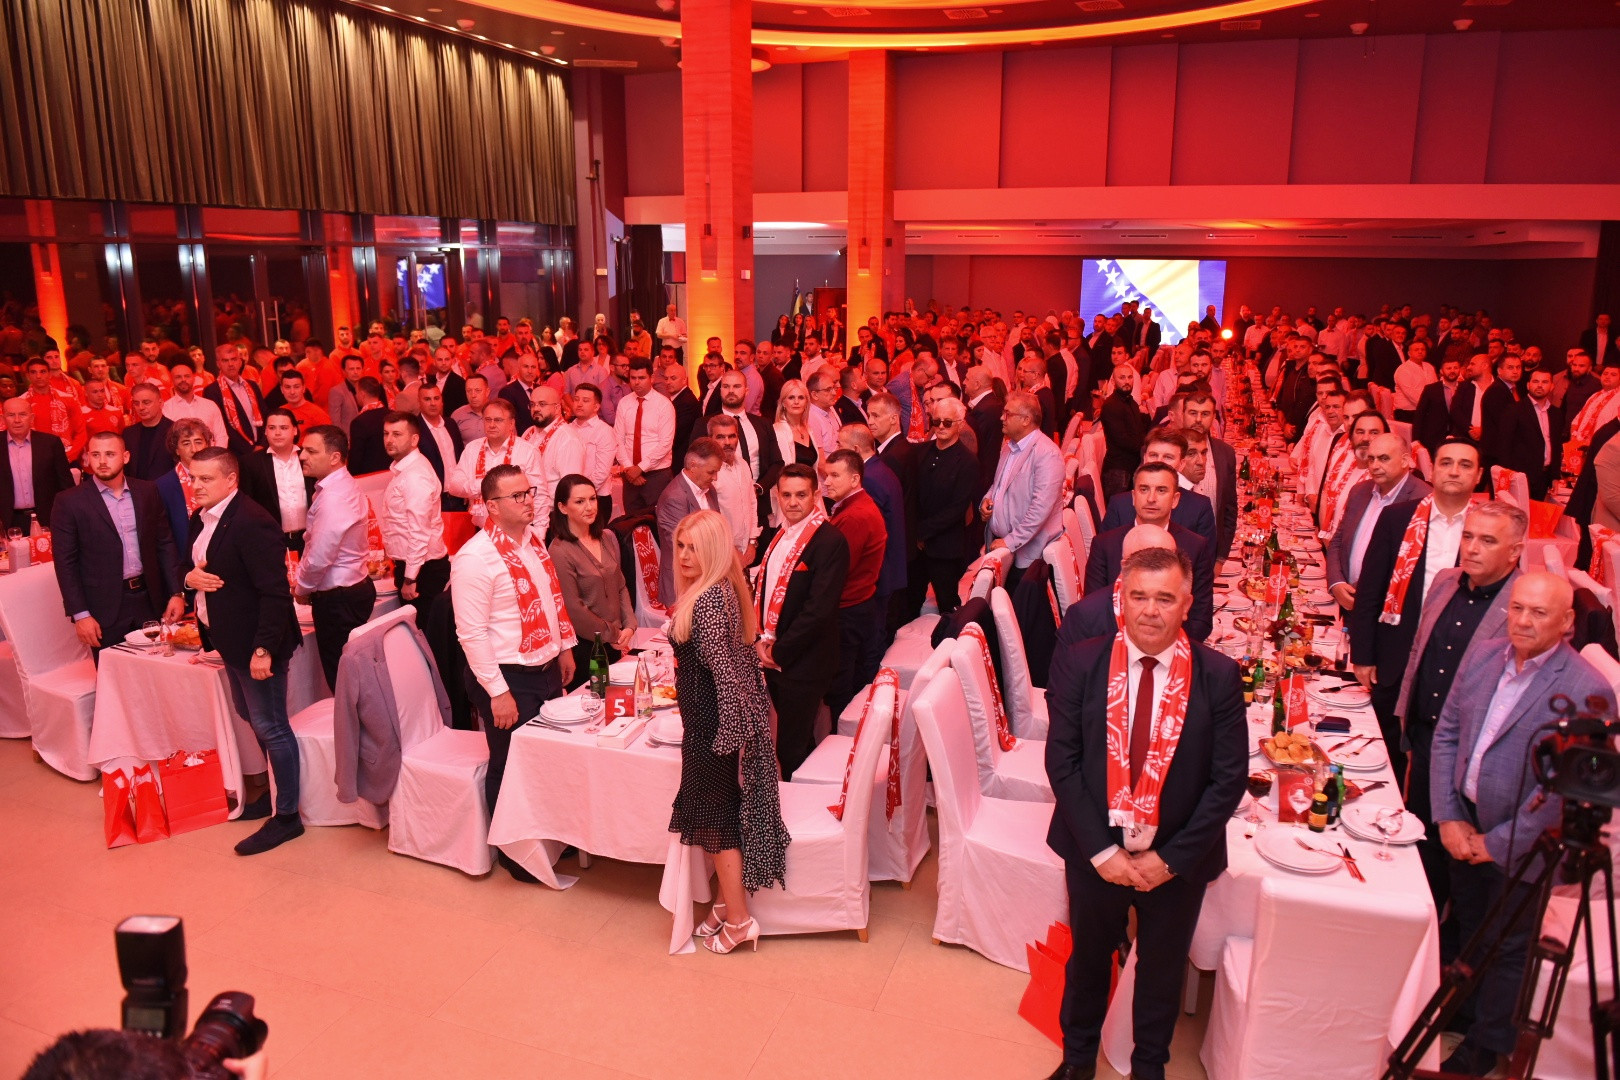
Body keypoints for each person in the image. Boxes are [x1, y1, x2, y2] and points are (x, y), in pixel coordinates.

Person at [1044, 546, 1246, 1080]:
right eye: (1138, 597)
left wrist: (1171, 860)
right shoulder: (1082, 663)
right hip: (1096, 850)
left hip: (1176, 858)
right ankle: (1077, 1060)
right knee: (1088, 960)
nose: (1150, 611)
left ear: (1187, 604)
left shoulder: (1219, 675)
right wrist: (1101, 851)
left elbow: (1227, 780)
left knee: (1161, 970)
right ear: (1121, 600)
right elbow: (1061, 762)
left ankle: (1149, 1066)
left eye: (1164, 598)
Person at [1429, 571, 1614, 1076]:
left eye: (1539, 613)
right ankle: (1465, 1011)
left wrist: (1497, 843)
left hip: (1525, 844)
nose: (1523, 621)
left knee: (1509, 947)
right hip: (1465, 824)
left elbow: (1560, 791)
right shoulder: (1485, 655)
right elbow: (1448, 732)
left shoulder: (1588, 689)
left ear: (1567, 621)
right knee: (1471, 926)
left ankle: (1485, 1048)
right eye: (1517, 608)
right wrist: (1448, 815)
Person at [667, 509, 789, 953]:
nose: (684, 555)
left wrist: (727, 736)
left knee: (716, 821)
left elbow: (724, 671)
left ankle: (739, 922)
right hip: (708, 722)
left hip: (711, 727)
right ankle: (723, 904)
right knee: (717, 817)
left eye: (694, 548)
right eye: (681, 546)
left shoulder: (709, 600)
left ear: (715, 551)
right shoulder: (717, 590)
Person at [1394, 501, 1524, 914]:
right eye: (1468, 536)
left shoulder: (1523, 606)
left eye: (1487, 540)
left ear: (1515, 552)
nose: (1472, 548)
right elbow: (1419, 651)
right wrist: (1405, 723)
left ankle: (1451, 939)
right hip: (1426, 738)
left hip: (1474, 755)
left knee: (1465, 871)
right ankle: (1420, 923)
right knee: (1422, 845)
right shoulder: (1445, 581)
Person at [452, 463, 577, 883]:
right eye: (517, 496)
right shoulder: (475, 558)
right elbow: (471, 634)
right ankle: (514, 855)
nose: (529, 501)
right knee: (508, 765)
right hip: (506, 676)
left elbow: (549, 598)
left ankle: (548, 837)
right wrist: (497, 692)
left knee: (543, 758)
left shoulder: (533, 541)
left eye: (530, 492)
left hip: (543, 666)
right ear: (492, 506)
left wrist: (563, 647)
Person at [182, 447, 304, 855]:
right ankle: (276, 795)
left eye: (206, 479)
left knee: (272, 725)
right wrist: (189, 579)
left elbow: (275, 593)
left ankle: (287, 816)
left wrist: (264, 649)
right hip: (230, 641)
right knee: (251, 716)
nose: (196, 486)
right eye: (193, 478)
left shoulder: (253, 521)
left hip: (257, 644)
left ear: (231, 480)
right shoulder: (202, 518)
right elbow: (193, 567)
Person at [1350, 436, 1481, 784]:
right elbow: (1370, 591)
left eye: (1465, 465)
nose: (1454, 471)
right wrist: (1362, 655)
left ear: (1478, 475)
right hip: (1395, 652)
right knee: (1382, 753)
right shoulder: (1397, 518)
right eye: (1446, 463)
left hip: (1455, 661)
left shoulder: (1486, 529)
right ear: (1432, 470)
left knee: (1435, 761)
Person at [752, 464, 849, 777]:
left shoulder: (830, 541)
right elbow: (765, 588)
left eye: (801, 495)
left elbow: (818, 610)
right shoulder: (779, 534)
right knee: (799, 741)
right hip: (774, 653)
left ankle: (797, 804)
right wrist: (760, 640)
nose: (793, 502)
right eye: (787, 495)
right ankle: (812, 794)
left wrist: (778, 651)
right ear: (778, 496)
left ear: (815, 496)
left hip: (804, 661)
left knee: (789, 748)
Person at [51, 432, 185, 654]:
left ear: (126, 457)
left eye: (110, 454)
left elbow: (164, 544)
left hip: (150, 600)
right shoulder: (69, 501)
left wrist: (176, 593)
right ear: (87, 458)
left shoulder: (147, 491)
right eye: (96, 454)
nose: (102, 461)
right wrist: (80, 614)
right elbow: (65, 563)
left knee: (158, 670)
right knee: (113, 674)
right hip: (103, 609)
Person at [1084, 462, 1214, 641]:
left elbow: (1201, 620)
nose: (1151, 498)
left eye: (1161, 490)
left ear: (1175, 499)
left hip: (1175, 647)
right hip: (1114, 646)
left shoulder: (1195, 546)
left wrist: (1161, 647)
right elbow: (1093, 611)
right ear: (1133, 496)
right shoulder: (1105, 544)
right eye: (1144, 489)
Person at [293, 425, 377, 692]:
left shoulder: (334, 496)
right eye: (303, 450)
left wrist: (302, 588)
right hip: (352, 589)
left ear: (334, 457)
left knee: (345, 682)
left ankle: (352, 721)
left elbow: (319, 556)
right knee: (354, 676)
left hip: (338, 598)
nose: (302, 456)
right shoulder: (340, 485)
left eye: (311, 451)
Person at [1324, 431, 1431, 611]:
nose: (1375, 465)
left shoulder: (1423, 499)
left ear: (1405, 460)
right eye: (1371, 459)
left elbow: (1406, 564)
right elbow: (1338, 541)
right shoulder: (1359, 491)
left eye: (1383, 458)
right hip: (1345, 598)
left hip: (1384, 608)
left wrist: (1360, 592)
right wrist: (1336, 582)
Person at [548, 473, 636, 686]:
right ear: (562, 507)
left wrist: (630, 625)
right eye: (580, 501)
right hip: (587, 648)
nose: (589, 507)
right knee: (595, 699)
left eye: (592, 499)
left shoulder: (604, 537)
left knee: (619, 698)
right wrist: (613, 634)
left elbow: (620, 584)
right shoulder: (559, 550)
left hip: (615, 640)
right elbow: (573, 609)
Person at [823, 448, 888, 718]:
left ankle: (843, 734)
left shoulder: (855, 516)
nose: (827, 482)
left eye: (834, 476)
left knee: (842, 684)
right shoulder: (855, 507)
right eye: (827, 475)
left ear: (854, 479)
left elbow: (836, 570)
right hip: (858, 604)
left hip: (849, 610)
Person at [982, 390, 1066, 589]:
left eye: (1008, 414)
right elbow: (999, 484)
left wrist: (1010, 541)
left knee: (1016, 605)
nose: (1001, 418)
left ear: (1026, 420)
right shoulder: (1009, 446)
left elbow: (1040, 509)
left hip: (1027, 556)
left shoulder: (1047, 453)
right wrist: (987, 499)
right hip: (1005, 547)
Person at [1098, 428, 1217, 550]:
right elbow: (1105, 550)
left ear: (1181, 464)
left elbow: (1204, 556)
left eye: (1168, 457)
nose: (1159, 462)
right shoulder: (1119, 504)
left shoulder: (1199, 507)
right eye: (1153, 455)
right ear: (1145, 458)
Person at [381, 412, 449, 622]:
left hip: (422, 571)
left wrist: (410, 578)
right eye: (386, 433)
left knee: (421, 634)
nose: (389, 439)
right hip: (418, 566)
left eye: (397, 434)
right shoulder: (407, 469)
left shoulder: (415, 475)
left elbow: (419, 531)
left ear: (414, 439)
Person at [913, 397, 978, 615]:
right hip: (916, 547)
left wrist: (922, 532)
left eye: (947, 422)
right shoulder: (921, 452)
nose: (940, 426)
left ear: (960, 424)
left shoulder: (967, 462)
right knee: (910, 600)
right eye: (936, 421)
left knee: (948, 605)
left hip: (944, 548)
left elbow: (957, 509)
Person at [447, 398, 542, 527]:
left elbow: (539, 495)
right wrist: (484, 485)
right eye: (488, 419)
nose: (491, 425)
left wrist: (539, 530)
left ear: (511, 423)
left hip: (517, 528)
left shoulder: (527, 451)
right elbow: (453, 487)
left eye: (498, 420)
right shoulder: (472, 449)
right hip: (481, 529)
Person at [656, 438, 723, 605]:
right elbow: (681, 547)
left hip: (707, 577)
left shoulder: (709, 490)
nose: (715, 478)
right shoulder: (674, 497)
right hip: (683, 583)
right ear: (693, 466)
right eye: (711, 472)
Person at [239, 409, 314, 552]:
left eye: (284, 428)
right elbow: (246, 506)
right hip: (270, 541)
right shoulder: (250, 463)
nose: (277, 433)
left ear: (295, 430)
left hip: (310, 538)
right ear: (265, 432)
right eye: (272, 428)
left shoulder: (309, 458)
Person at [613, 357, 677, 516]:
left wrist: (640, 468)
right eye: (633, 378)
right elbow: (618, 439)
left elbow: (665, 443)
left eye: (641, 378)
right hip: (629, 474)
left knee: (658, 520)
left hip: (656, 475)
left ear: (651, 378)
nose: (636, 382)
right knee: (631, 522)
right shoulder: (624, 403)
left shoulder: (664, 405)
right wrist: (629, 468)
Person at [1, 395, 73, 532]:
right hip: (7, 522)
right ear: (3, 419)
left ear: (32, 418)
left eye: (22, 414)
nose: (17, 420)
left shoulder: (51, 443)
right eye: (11, 415)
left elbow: (66, 485)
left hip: (48, 519)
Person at [1495, 368, 1563, 500]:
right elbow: (1504, 446)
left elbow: (1556, 446)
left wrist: (1555, 476)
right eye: (1535, 381)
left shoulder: (1556, 413)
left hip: (1544, 477)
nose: (1540, 385)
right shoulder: (1514, 410)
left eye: (1545, 382)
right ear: (1528, 385)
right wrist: (1510, 476)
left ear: (1552, 386)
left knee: (1538, 512)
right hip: (1520, 477)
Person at [521, 384, 585, 522]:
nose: (536, 409)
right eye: (532, 404)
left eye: (542, 404)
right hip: (525, 510)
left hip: (553, 515)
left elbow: (571, 487)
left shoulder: (567, 439)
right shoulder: (528, 433)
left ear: (557, 408)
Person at [707, 414, 761, 559]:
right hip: (720, 553)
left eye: (732, 436)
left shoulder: (743, 464)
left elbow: (752, 502)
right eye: (720, 437)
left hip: (746, 549)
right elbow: (709, 518)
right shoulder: (709, 473)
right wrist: (730, 550)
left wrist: (752, 541)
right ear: (710, 439)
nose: (727, 442)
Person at [20, 356, 87, 463]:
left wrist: (69, 456)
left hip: (66, 456)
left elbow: (81, 432)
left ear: (49, 374)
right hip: (33, 459)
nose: (38, 376)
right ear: (28, 376)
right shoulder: (21, 403)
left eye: (43, 372)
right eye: (33, 372)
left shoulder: (68, 399)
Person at [204, 344, 266, 457]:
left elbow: (265, 415)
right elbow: (222, 426)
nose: (230, 364)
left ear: (240, 361)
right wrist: (250, 449)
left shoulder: (252, 386)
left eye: (234, 359)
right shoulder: (212, 391)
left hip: (262, 449)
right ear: (218, 364)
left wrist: (263, 444)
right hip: (236, 454)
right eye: (225, 360)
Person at [1099, 364, 1149, 500]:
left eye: (1130, 377)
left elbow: (1138, 432)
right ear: (1113, 381)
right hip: (1118, 469)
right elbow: (1122, 439)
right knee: (1118, 508)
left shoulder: (1131, 403)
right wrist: (1145, 446)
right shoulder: (1111, 406)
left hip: (1131, 466)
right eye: (1122, 378)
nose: (1127, 381)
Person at [412, 384, 465, 505]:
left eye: (436, 398)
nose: (433, 403)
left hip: (459, 496)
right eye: (427, 399)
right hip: (433, 498)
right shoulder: (414, 428)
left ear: (442, 401)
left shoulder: (451, 424)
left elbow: (462, 457)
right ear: (419, 402)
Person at [159, 360, 228, 449]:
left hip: (210, 456)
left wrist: (214, 456)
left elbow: (221, 436)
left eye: (187, 376)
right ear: (171, 380)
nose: (183, 380)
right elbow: (167, 442)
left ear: (194, 378)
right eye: (178, 377)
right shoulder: (165, 409)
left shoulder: (210, 405)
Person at [123, 384, 176, 481]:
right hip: (136, 488)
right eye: (136, 403)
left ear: (161, 403)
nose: (141, 407)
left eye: (146, 402)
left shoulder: (175, 431)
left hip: (165, 488)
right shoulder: (128, 433)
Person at [344, 377, 390, 475]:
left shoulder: (359, 422)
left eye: (356, 392)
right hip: (393, 471)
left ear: (362, 394)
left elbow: (355, 458)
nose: (356, 395)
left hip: (369, 476)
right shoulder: (393, 415)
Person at [451, 371, 492, 445]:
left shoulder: (499, 412)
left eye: (478, 390)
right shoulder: (457, 415)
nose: (473, 395)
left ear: (487, 392)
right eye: (469, 391)